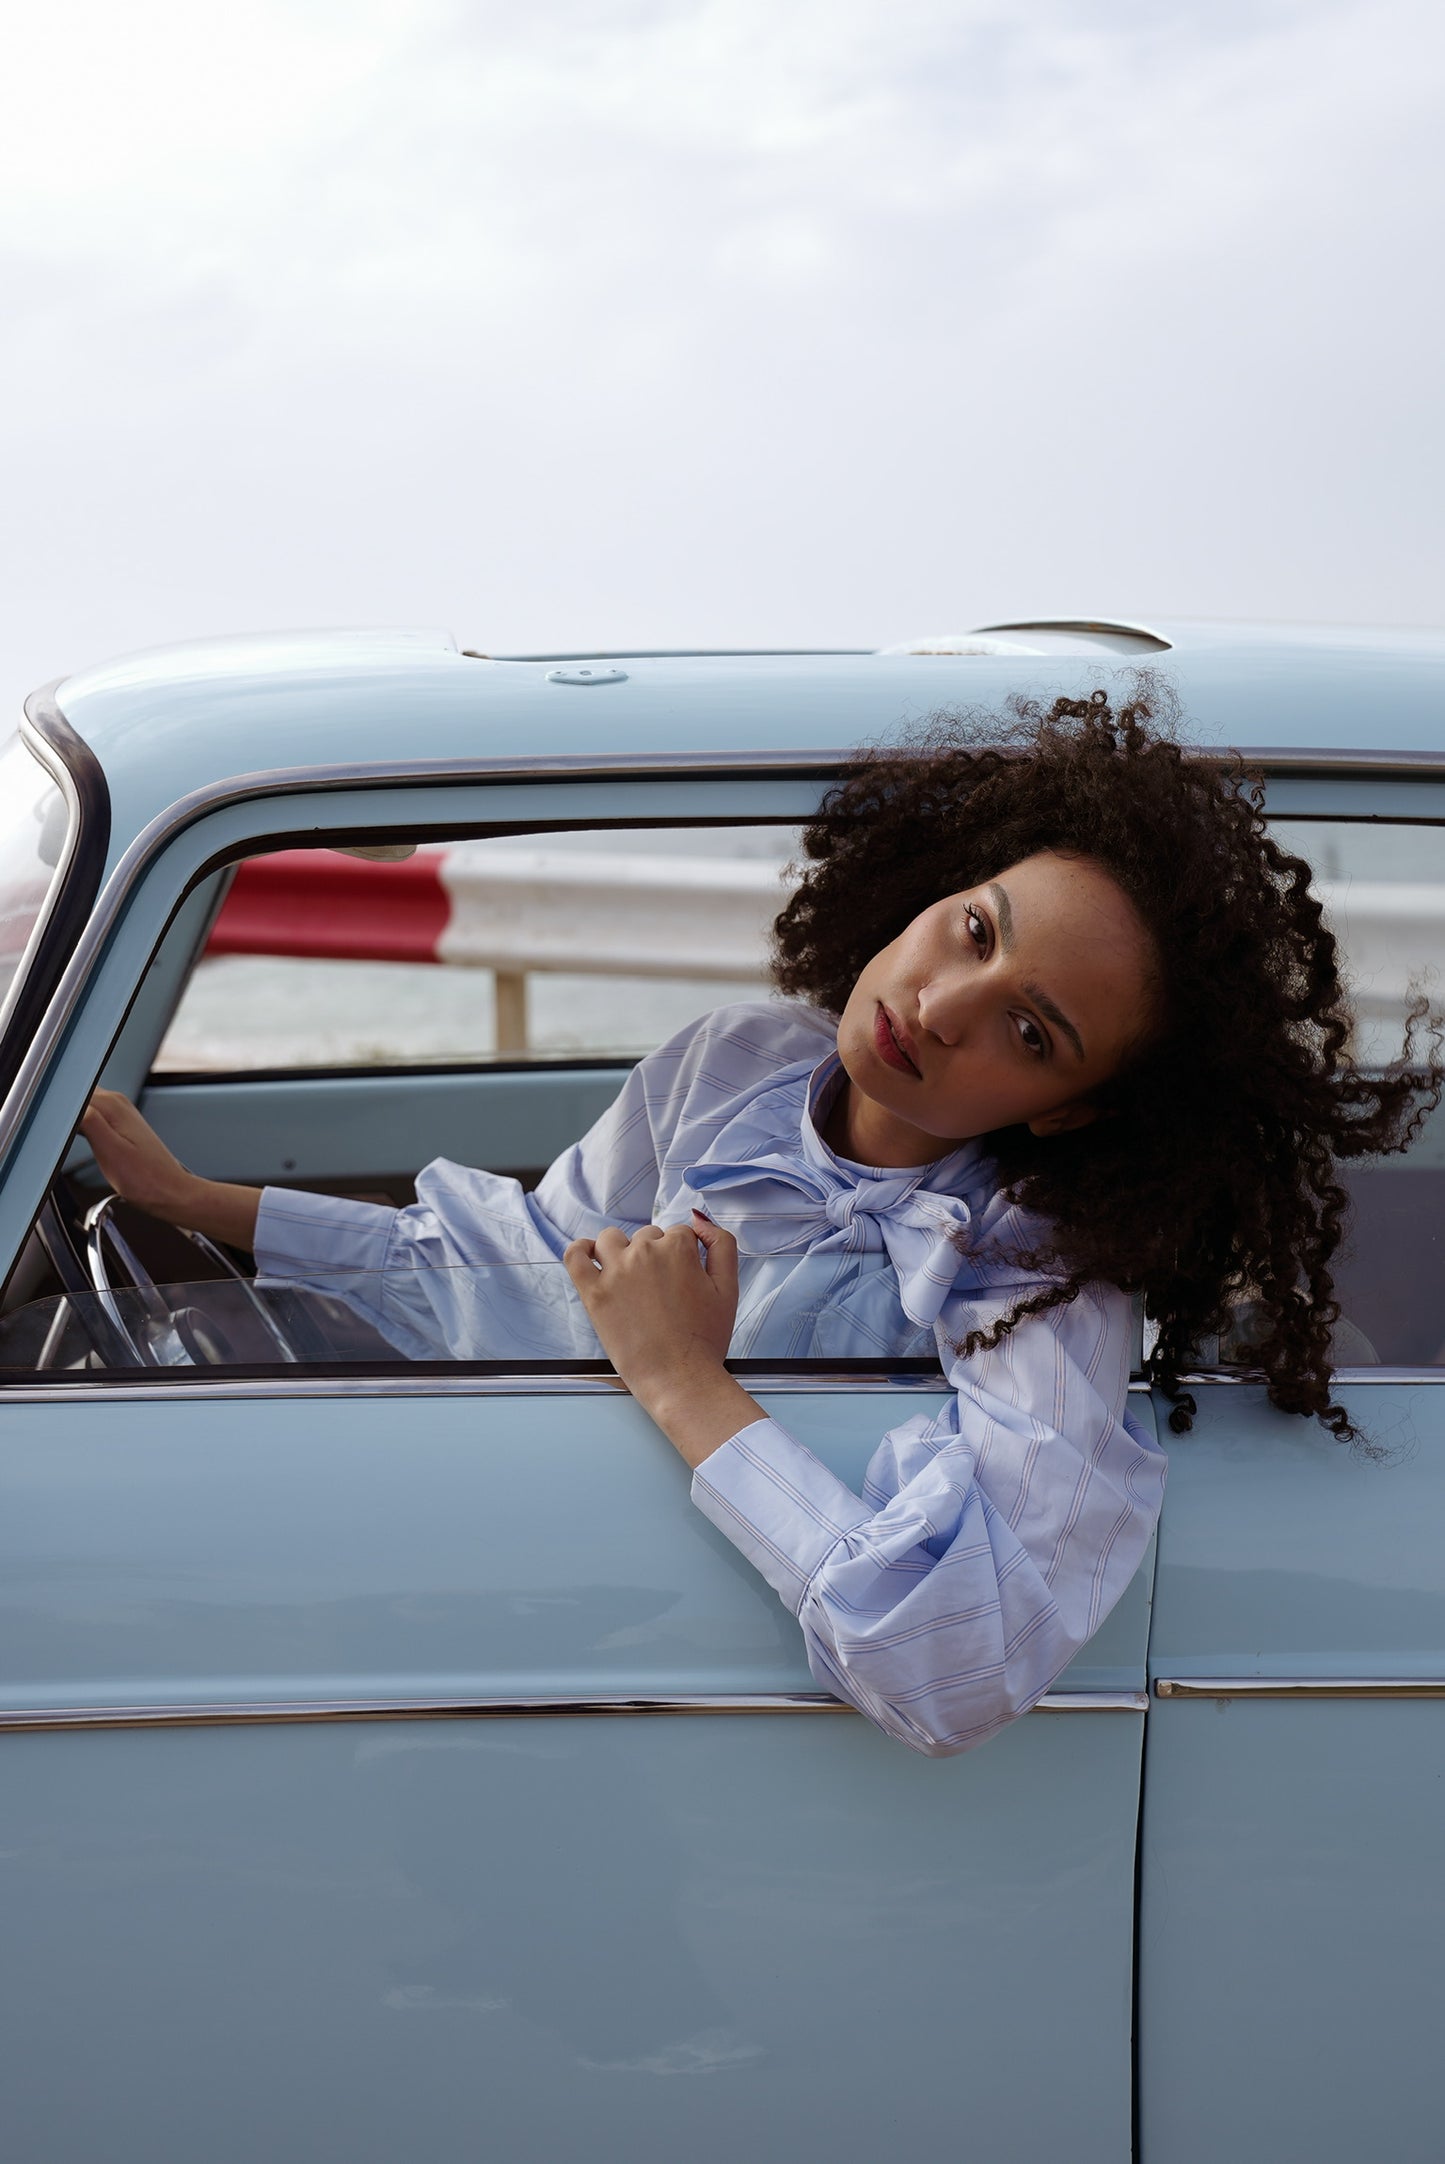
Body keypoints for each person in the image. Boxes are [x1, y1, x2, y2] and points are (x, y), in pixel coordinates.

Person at [80, 687, 1441, 1757]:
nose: (945, 1005)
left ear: (1073, 1109)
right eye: (972, 931)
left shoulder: (1034, 1276)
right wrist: (201, 1206)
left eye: (1029, 1030)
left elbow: (955, 1662)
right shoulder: (726, 1067)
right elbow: (524, 1268)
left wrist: (687, 1384)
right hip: (570, 1603)